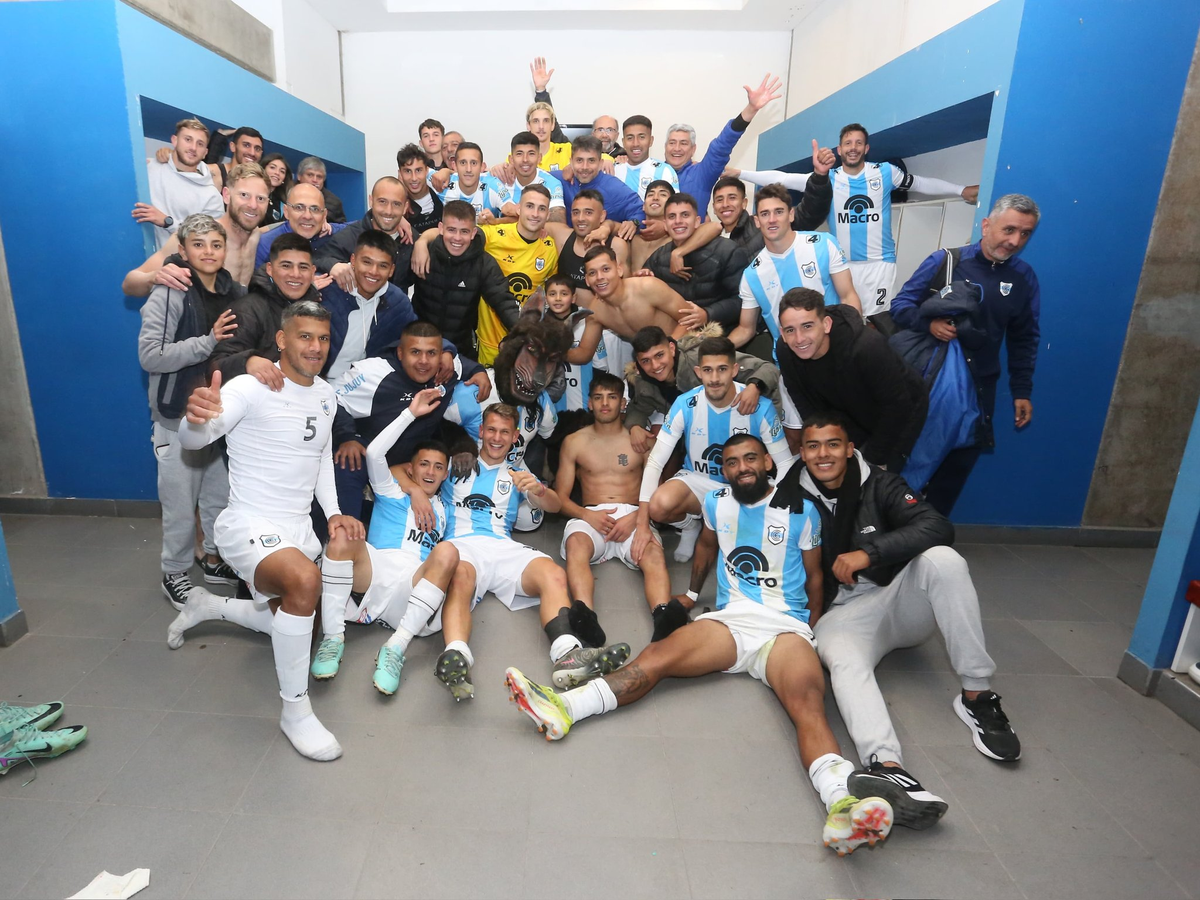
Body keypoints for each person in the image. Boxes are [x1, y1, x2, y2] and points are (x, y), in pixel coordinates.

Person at [503, 432, 894, 857]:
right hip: (729, 621)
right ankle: (564, 710)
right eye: (731, 462)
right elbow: (707, 546)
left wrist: (811, 628)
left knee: (807, 704)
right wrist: (689, 595)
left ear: (768, 462)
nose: (741, 467)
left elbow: (816, 578)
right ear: (722, 470)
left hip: (784, 628)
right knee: (657, 656)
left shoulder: (803, 511)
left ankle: (841, 803)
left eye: (750, 459)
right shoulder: (717, 503)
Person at [778, 412, 1019, 828]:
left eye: (833, 444)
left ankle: (977, 696)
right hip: (839, 614)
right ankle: (887, 767)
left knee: (944, 561)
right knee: (846, 664)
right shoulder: (786, 495)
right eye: (813, 446)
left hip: (897, 596)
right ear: (802, 452)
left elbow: (936, 525)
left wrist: (868, 553)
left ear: (849, 448)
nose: (824, 454)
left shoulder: (881, 483)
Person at [170, 300, 365, 762]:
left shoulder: (325, 394)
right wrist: (193, 419)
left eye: (322, 338)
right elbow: (197, 436)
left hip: (298, 529)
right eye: (304, 336)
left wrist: (334, 511)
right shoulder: (250, 386)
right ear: (281, 339)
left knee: (298, 622)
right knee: (304, 582)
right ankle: (295, 712)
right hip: (249, 523)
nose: (315, 347)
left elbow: (320, 457)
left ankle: (209, 604)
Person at [435, 404, 631, 699]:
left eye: (504, 432)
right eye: (491, 430)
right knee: (460, 576)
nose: (496, 438)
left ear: (515, 436)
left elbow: (552, 505)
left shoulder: (517, 473)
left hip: (503, 546)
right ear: (480, 431)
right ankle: (456, 658)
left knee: (552, 572)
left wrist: (539, 490)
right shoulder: (454, 464)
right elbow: (408, 470)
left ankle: (568, 654)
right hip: (462, 546)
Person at [732, 123, 978, 328]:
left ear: (867, 148)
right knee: (847, 321)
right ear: (839, 149)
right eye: (848, 143)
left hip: (879, 263)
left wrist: (960, 190)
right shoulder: (827, 178)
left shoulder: (885, 173)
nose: (853, 148)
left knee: (879, 322)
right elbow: (782, 179)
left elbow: (921, 184)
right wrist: (739, 172)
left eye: (859, 143)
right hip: (842, 265)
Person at [890, 193, 1041, 514]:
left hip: (979, 392)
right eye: (1009, 230)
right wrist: (928, 324)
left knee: (952, 476)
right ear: (987, 225)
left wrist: (1022, 391)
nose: (1015, 241)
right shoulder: (946, 262)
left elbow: (1024, 338)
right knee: (906, 468)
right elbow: (900, 306)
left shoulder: (1023, 277)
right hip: (926, 388)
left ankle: (927, 544)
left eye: (1025, 234)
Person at [313, 389, 462, 695]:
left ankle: (395, 648)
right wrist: (410, 413)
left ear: (446, 474)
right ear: (410, 468)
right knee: (342, 532)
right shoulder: (392, 490)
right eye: (424, 464)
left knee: (449, 550)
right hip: (376, 571)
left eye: (438, 467)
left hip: (412, 589)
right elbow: (375, 453)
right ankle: (332, 639)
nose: (430, 472)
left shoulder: (447, 511)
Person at [137, 214, 242, 608]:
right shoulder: (170, 290)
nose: (208, 252)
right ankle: (175, 573)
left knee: (219, 497)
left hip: (219, 418)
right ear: (182, 250)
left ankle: (215, 560)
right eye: (198, 245)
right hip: (175, 417)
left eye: (216, 244)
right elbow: (150, 355)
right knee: (180, 506)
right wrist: (208, 341)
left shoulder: (234, 291)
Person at [637, 335, 791, 598]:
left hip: (744, 487)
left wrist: (775, 510)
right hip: (699, 482)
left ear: (734, 370)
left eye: (722, 369)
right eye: (707, 370)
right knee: (660, 505)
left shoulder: (758, 405)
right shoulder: (686, 403)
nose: (715, 378)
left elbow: (786, 463)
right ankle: (690, 527)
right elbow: (655, 461)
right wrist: (642, 525)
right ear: (698, 372)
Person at [556, 372, 680, 638]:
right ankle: (584, 615)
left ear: (623, 403)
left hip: (634, 513)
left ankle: (663, 618)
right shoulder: (574, 442)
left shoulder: (640, 441)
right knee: (576, 543)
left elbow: (657, 494)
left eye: (612, 397)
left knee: (654, 554)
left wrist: (637, 518)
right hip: (591, 514)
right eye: (598, 397)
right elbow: (560, 499)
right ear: (589, 403)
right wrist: (586, 515)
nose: (605, 403)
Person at [329, 320, 485, 523]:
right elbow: (330, 399)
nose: (423, 361)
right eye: (415, 353)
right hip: (370, 453)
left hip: (411, 459)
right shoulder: (371, 373)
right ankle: (343, 531)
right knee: (348, 460)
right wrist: (346, 436)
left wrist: (479, 371)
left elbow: (462, 362)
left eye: (431, 353)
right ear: (401, 353)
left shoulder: (447, 369)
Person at [775, 288, 927, 467]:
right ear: (782, 332)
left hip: (902, 414)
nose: (799, 339)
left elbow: (896, 406)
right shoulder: (785, 351)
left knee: (885, 480)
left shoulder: (867, 348)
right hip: (848, 415)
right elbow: (802, 401)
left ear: (826, 324)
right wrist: (830, 442)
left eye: (807, 326)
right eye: (790, 330)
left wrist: (873, 461)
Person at [729, 184, 861, 355]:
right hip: (790, 364)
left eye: (779, 212)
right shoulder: (751, 275)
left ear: (791, 214)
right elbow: (746, 329)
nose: (772, 220)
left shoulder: (823, 244)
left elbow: (848, 296)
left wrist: (856, 338)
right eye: (764, 214)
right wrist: (717, 348)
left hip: (836, 348)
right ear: (756, 221)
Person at [624, 324, 781, 454]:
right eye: (646, 361)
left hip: (746, 423)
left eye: (659, 355)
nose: (655, 366)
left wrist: (755, 387)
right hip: (700, 437)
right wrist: (635, 427)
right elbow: (638, 407)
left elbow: (767, 368)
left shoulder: (700, 357)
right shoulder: (644, 382)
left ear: (671, 349)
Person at [123, 162, 270, 295]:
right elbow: (129, 284)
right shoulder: (198, 235)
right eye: (244, 195)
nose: (253, 205)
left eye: (261, 198)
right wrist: (154, 276)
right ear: (226, 196)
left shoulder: (256, 235)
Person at [408, 199, 520, 360]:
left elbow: (504, 302)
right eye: (451, 230)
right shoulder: (423, 252)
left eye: (464, 231)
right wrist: (420, 243)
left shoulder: (484, 263)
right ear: (440, 229)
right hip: (419, 348)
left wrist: (526, 334)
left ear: (474, 233)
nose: (457, 238)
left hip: (459, 352)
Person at [663, 74, 782, 215]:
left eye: (683, 143)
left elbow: (721, 147)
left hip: (693, 237)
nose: (677, 148)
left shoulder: (702, 173)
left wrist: (751, 109)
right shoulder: (651, 171)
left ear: (693, 149)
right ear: (665, 147)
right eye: (672, 143)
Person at [210, 233, 321, 381]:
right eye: (286, 266)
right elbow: (215, 367)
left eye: (303, 267)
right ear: (270, 269)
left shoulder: (316, 312)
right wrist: (247, 361)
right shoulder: (246, 310)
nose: (295, 274)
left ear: (313, 272)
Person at [318, 230, 419, 381]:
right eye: (367, 262)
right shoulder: (325, 290)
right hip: (318, 382)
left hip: (366, 386)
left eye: (383, 266)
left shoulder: (398, 301)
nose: (373, 272)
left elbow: (418, 337)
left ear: (391, 270)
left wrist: (447, 351)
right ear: (353, 260)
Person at [645, 192, 745, 332]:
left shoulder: (727, 251)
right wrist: (643, 278)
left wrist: (707, 314)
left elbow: (742, 301)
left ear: (697, 221)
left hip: (718, 338)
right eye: (672, 216)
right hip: (674, 336)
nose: (678, 221)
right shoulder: (658, 257)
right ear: (665, 225)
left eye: (685, 215)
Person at [135, 118, 224, 249]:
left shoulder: (212, 197)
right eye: (188, 139)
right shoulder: (149, 166)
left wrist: (168, 222)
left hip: (172, 265)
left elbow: (208, 239)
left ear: (205, 152)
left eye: (200, 144)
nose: (193, 148)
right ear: (174, 140)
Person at [316, 176, 414, 292]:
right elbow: (316, 258)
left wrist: (424, 241)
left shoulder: (413, 241)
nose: (388, 211)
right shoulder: (350, 236)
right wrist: (333, 265)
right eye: (382, 202)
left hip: (396, 309)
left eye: (396, 204)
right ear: (371, 201)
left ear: (405, 207)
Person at [582, 245, 689, 347]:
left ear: (619, 270)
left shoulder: (647, 286)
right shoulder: (595, 311)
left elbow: (689, 319)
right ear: (587, 280)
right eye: (592, 273)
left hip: (683, 347)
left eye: (605, 269)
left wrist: (668, 348)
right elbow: (584, 354)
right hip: (650, 360)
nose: (599, 277)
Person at [529, 57, 623, 157]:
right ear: (592, 134)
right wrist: (541, 91)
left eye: (609, 130)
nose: (604, 135)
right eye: (600, 130)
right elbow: (555, 133)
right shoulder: (576, 154)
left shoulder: (626, 158)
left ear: (617, 135)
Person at [550, 189, 626, 308]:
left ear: (602, 216)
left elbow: (626, 290)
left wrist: (608, 225)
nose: (580, 218)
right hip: (564, 316)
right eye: (575, 212)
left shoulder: (617, 245)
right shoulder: (562, 236)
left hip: (604, 320)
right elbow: (532, 222)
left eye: (588, 212)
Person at [550, 136, 644, 229]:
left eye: (591, 160)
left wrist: (634, 223)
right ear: (571, 162)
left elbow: (641, 212)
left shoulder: (613, 188)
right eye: (579, 160)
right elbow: (536, 176)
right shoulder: (557, 179)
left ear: (600, 163)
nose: (585, 167)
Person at [254, 182, 347, 269]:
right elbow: (257, 283)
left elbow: (359, 227)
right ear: (286, 212)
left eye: (315, 209)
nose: (307, 216)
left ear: (324, 215)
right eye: (299, 208)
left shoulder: (332, 234)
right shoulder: (266, 244)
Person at [491, 132, 567, 224]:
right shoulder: (500, 179)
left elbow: (557, 222)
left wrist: (503, 220)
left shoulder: (552, 183)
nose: (525, 160)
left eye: (531, 154)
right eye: (519, 154)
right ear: (511, 159)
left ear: (539, 158)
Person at [437, 142, 505, 221]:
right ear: (454, 166)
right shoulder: (442, 182)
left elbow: (516, 215)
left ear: (482, 167)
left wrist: (494, 222)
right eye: (463, 163)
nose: (468, 169)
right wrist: (445, 171)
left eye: (473, 163)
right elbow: (422, 170)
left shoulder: (493, 185)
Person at [613, 116, 679, 198]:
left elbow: (673, 207)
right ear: (623, 142)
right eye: (630, 138)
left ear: (651, 141)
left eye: (641, 137)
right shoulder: (613, 170)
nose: (635, 143)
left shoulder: (665, 171)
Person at [397, 143, 444, 235]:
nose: (414, 178)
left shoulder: (444, 194)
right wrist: (396, 217)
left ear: (427, 170)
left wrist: (447, 171)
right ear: (400, 174)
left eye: (418, 170)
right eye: (407, 171)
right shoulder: (396, 206)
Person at [629, 180, 676, 270]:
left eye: (663, 195)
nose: (655, 198)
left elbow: (710, 227)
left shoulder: (677, 239)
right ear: (643, 206)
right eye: (650, 195)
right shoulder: (632, 237)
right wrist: (609, 225)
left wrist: (666, 227)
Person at [208, 125, 264, 193]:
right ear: (233, 147)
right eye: (246, 145)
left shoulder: (258, 185)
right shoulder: (212, 172)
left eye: (257, 149)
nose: (252, 153)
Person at [296, 156, 346, 224]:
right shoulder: (287, 195)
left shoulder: (334, 203)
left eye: (319, 177)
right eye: (310, 175)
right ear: (299, 176)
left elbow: (342, 228)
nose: (315, 180)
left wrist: (331, 228)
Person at [259, 152, 293, 225]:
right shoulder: (250, 193)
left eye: (282, 171)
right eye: (272, 167)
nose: (277, 173)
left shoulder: (282, 206)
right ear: (263, 169)